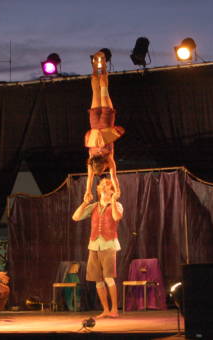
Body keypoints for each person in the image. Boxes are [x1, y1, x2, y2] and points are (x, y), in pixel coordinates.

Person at [72, 178, 123, 318]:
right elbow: (75, 217)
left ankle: (114, 310)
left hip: (109, 245)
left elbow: (116, 217)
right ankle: (105, 310)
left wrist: (112, 201)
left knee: (108, 278)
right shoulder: (94, 206)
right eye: (103, 185)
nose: (105, 187)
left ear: (113, 190)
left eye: (108, 186)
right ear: (99, 189)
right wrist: (85, 202)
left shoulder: (117, 205)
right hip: (94, 245)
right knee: (97, 279)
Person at [84, 50, 124, 204]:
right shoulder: (91, 160)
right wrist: (87, 191)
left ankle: (102, 65)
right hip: (95, 123)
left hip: (105, 122)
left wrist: (118, 190)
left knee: (103, 90)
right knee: (96, 91)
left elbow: (113, 176)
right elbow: (89, 179)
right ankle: (96, 65)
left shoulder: (109, 159)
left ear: (104, 165)